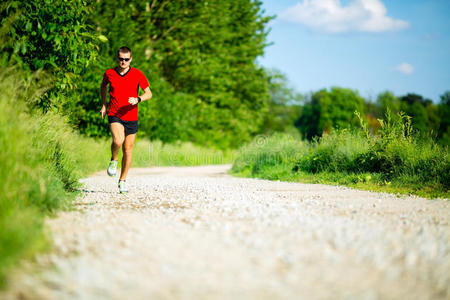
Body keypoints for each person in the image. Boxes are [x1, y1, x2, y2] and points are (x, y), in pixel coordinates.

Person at [100, 46, 152, 193]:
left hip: (131, 116)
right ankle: (114, 160)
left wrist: (138, 99)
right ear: (117, 58)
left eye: (126, 59)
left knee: (128, 149)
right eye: (121, 59)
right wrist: (104, 104)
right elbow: (103, 86)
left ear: (131, 59)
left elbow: (149, 93)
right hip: (115, 113)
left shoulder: (137, 74)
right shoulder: (109, 73)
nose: (123, 62)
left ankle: (122, 180)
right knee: (118, 140)